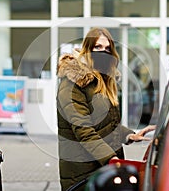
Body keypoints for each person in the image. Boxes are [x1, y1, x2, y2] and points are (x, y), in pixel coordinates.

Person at [56, 27, 156, 191]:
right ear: (87, 48)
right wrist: (114, 161)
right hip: (83, 173)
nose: (103, 52)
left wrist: (129, 134)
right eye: (97, 47)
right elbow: (84, 131)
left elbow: (106, 123)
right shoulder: (73, 83)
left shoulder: (103, 79)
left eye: (107, 48)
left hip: (103, 168)